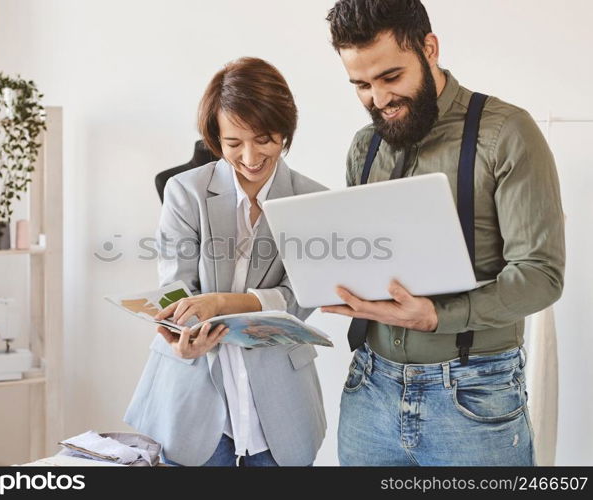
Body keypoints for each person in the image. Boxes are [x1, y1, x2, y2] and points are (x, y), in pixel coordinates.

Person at [322, 0, 565, 466]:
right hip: (369, 387)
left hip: (473, 394)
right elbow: (363, 255)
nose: (378, 99)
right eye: (361, 85)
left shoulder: (506, 133)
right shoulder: (363, 146)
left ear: (429, 48)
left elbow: (541, 275)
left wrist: (438, 316)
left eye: (391, 77)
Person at [125, 57, 327, 467]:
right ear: (217, 139)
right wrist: (181, 327)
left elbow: (300, 297)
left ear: (285, 132)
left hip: (279, 406)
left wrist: (219, 304)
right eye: (234, 143)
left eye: (265, 139)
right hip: (194, 398)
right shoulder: (185, 192)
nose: (250, 156)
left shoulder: (311, 200)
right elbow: (176, 287)